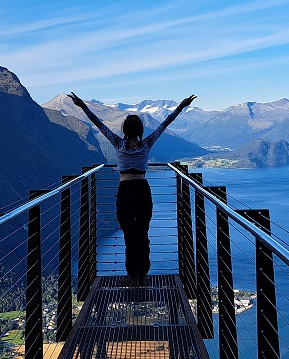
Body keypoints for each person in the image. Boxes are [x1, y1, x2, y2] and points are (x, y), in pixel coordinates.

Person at [68, 93, 196, 285]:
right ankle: (143, 275)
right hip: (143, 190)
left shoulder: (118, 143)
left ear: (125, 130)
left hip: (125, 190)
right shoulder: (147, 143)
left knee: (129, 233)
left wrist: (82, 106)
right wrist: (181, 106)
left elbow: (98, 124)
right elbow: (165, 124)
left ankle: (132, 275)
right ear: (140, 130)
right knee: (143, 233)